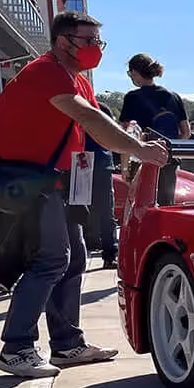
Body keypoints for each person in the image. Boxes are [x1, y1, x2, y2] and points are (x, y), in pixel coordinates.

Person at [0, 11, 169, 378]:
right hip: (27, 180)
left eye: (98, 42)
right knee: (52, 259)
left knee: (75, 257)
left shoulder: (78, 79)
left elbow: (95, 126)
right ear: (63, 41)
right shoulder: (46, 72)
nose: (95, 49)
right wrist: (139, 150)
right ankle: (17, 348)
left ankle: (67, 344)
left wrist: (130, 144)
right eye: (88, 41)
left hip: (57, 180)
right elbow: (90, 120)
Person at [84, 102, 120, 270]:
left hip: (86, 161)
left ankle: (108, 253)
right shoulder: (102, 108)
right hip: (90, 161)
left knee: (101, 211)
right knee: (104, 211)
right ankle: (107, 253)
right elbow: (114, 133)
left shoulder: (74, 105)